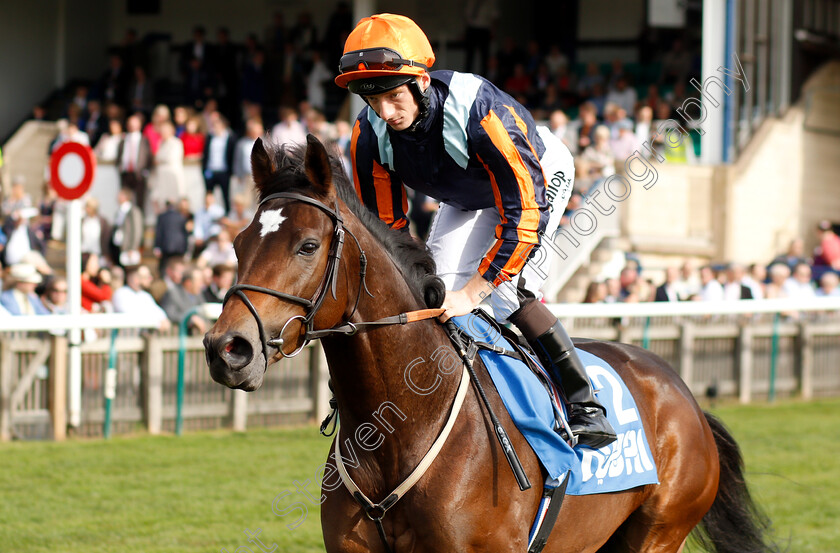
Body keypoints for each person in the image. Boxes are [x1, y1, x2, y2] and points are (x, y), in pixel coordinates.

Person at [335, 13, 615, 448]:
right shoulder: (368, 137)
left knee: (502, 290)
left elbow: (523, 215)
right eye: (372, 101)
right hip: (466, 195)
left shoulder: (482, 112)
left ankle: (584, 403)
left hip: (534, 179)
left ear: (421, 81)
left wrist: (473, 292)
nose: (385, 113)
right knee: (435, 293)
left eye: (393, 96)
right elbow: (387, 231)